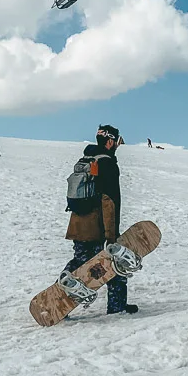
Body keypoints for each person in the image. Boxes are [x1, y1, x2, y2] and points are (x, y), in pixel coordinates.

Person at [62, 124, 137, 315]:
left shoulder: (85, 160)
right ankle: (117, 306)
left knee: (80, 262)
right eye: (118, 141)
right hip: (98, 226)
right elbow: (109, 201)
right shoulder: (107, 164)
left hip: (78, 225)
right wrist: (111, 236)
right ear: (111, 141)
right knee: (114, 264)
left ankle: (59, 293)